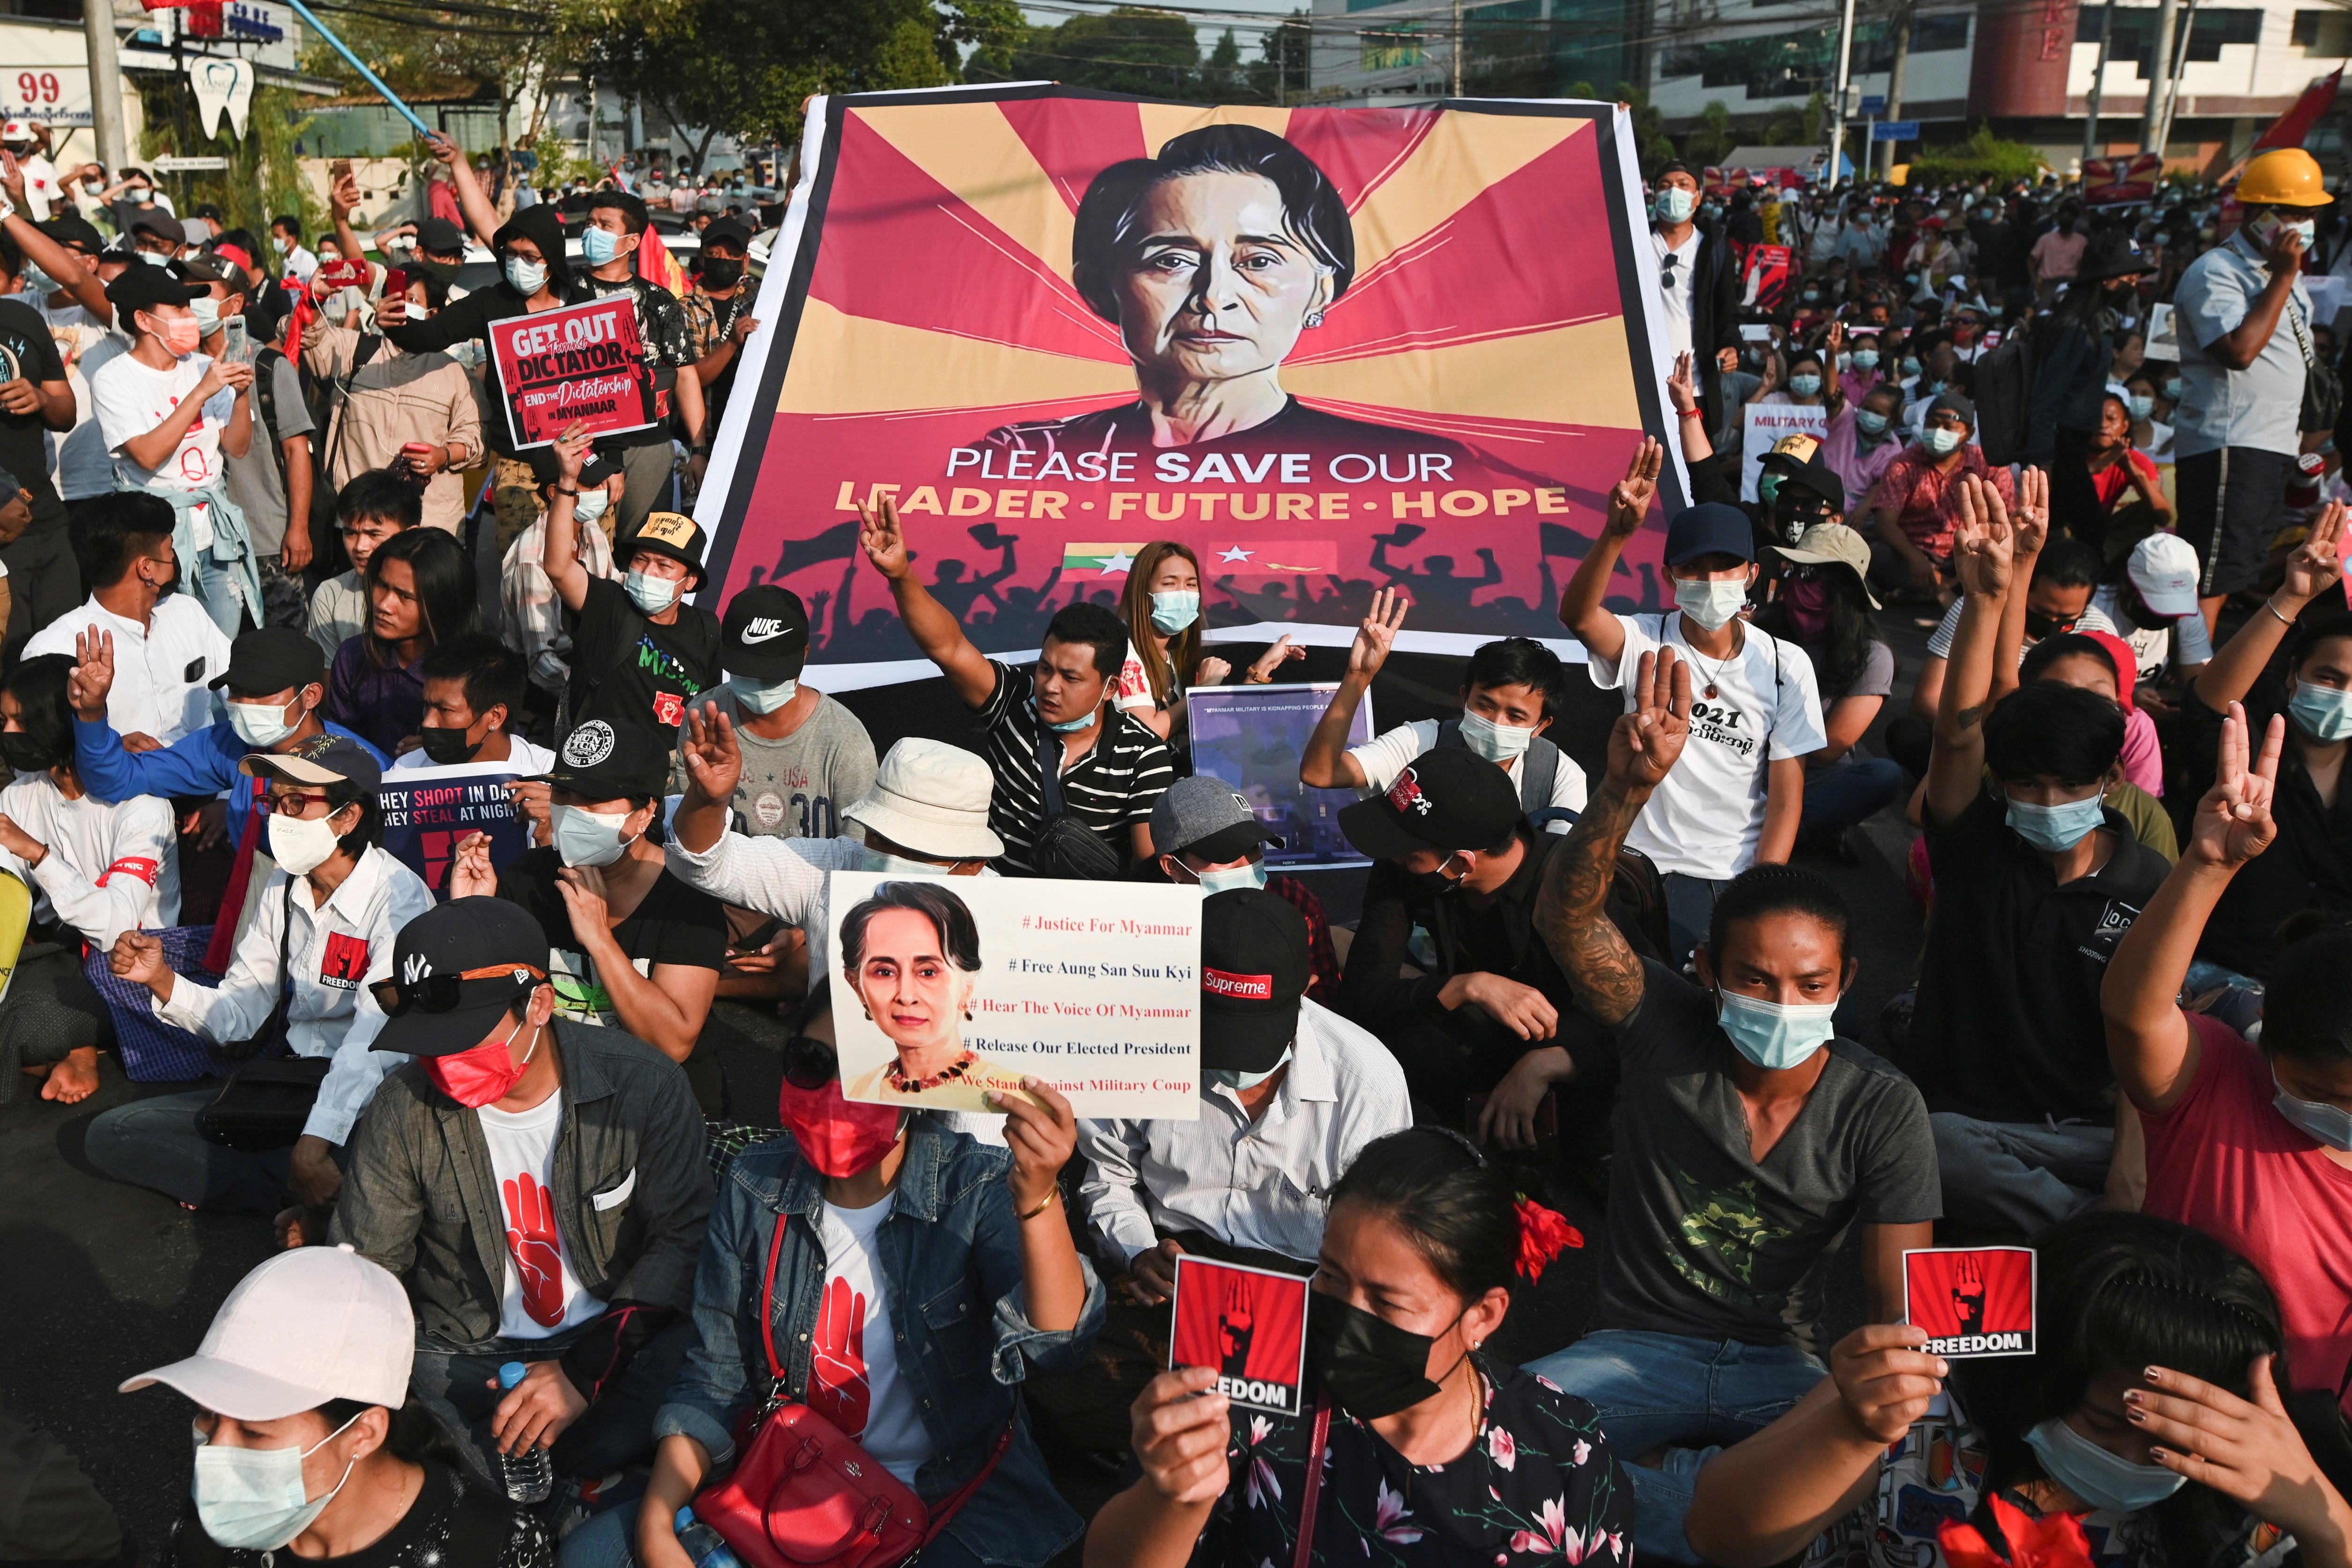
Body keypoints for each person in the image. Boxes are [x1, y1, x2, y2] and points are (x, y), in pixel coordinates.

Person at [1522, 645, 1936, 1562]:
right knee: (1496, 1452)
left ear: (1845, 982)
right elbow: (1566, 921)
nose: (1780, 1002)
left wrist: (1865, 1413)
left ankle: (1656, 1504)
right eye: (1753, 977)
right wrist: (1622, 792)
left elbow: (1889, 1303)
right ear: (1704, 971)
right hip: (1633, 1347)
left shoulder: (1881, 1104)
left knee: (1866, 1491)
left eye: (1808, 982)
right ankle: (1690, 1506)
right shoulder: (1661, 1019)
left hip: (1786, 1367)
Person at [553, 987, 1101, 1568]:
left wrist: (1039, 1196)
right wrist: (659, 1521)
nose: (837, 1089)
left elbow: (1057, 1343)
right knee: (595, 1553)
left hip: (948, 1504)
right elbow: (713, 1376)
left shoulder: (976, 1188)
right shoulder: (754, 1185)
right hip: (792, 1474)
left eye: (868, 1068)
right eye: (813, 1062)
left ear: (920, 1081)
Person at [1684, 1211, 2352, 1568]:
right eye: (2105, 1422)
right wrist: (1851, 1430)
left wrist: (2326, 1520)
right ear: (2032, 1373)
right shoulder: (1930, 1392)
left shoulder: (2248, 1481)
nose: (2133, 1460)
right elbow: (1722, 1535)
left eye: (2169, 1442)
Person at [1089, 1126, 1623, 1567]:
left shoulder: (1564, 1448)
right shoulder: (1253, 1386)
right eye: (1330, 1276)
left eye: (1388, 1303)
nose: (1347, 1321)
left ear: (1481, 1315)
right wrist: (1172, 1496)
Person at [333, 896, 712, 1487]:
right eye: (430, 1040)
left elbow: (682, 1239)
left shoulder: (645, 1086)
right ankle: (565, 1480)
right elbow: (369, 1267)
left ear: (540, 1002)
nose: (445, 1059)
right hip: (463, 1350)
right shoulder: (402, 1106)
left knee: (694, 1352)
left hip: (609, 1334)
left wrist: (583, 1373)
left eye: (466, 1036)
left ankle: (525, 1478)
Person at [1911, 475, 2169, 1233]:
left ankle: (2075, 1227)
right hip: (1967, 1126)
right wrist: (1987, 596)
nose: (2046, 804)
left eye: (2067, 786)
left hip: (2088, 1135)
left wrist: (2131, 1163)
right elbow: (1957, 731)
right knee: (1924, 1138)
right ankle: (2083, 1238)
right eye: (2027, 785)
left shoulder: (2149, 882)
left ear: (2111, 780)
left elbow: (2147, 1037)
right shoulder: (1975, 842)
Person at [2102, 699, 2352, 1416]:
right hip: (2155, 1414)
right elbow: (2133, 1009)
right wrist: (2207, 865)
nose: (2339, 1117)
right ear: (2267, 1042)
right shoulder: (2214, 1083)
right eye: (2320, 1091)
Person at [974, 125, 1475, 468]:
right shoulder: (1027, 458)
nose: (1214, 297)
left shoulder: (1405, 466)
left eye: (1258, 261)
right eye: (1171, 260)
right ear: (1099, 289)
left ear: (1322, 288)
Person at [88, 736, 432, 1222]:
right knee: (114, 1132)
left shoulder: (398, 898)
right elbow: (240, 1014)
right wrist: (162, 978)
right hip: (292, 1083)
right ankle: (305, 1193)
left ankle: (304, 1179)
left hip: (370, 1098)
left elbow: (375, 1043)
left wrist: (317, 1139)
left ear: (348, 817)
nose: (278, 817)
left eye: (296, 803)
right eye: (275, 801)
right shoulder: (285, 881)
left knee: (374, 1150)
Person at [121, 1245, 556, 1568]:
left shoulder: (491, 1548)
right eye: (209, 1414)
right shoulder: (218, 1521)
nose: (217, 1452)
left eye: (255, 1432)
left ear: (363, 1432)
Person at [1559, 446, 1827, 959]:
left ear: (1750, 574)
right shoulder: (1642, 638)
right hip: (1637, 863)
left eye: (1725, 567)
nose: (1709, 581)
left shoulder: (1784, 664)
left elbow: (1786, 796)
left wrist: (1761, 892)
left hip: (1731, 873)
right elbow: (1578, 615)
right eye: (1693, 568)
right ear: (1669, 578)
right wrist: (1616, 533)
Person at [1079, 886, 1408, 1293]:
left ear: (1307, 988)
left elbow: (1382, 1239)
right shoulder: (1141, 1049)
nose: (1234, 1064)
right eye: (1214, 1031)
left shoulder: (1368, 1084)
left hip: (1311, 1284)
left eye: (1254, 1035)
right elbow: (1110, 1177)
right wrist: (1138, 1252)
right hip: (1172, 1262)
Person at [859, 494, 1173, 875]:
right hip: (996, 906)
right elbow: (949, 647)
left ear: (1111, 688)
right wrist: (901, 574)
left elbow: (1149, 866)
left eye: (1071, 677)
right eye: (1045, 668)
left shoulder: (1145, 755)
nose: (1050, 686)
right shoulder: (1013, 700)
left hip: (1087, 921)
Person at [449, 719, 725, 1114]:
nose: (572, 812)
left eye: (593, 800)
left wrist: (599, 939)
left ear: (645, 812)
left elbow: (673, 1044)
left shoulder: (688, 898)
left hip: (659, 1107)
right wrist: (473, 913)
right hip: (555, 1099)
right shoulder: (525, 879)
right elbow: (482, 1015)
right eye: (563, 792)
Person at [70, 625, 391, 928]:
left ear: (311, 696)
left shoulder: (364, 767)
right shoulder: (228, 745)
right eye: (237, 691)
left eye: (260, 692)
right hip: (258, 918)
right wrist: (92, 713)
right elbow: (118, 779)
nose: (244, 704)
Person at [668, 717, 1000, 992]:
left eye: (917, 852)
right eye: (880, 837)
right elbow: (706, 863)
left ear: (973, 865)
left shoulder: (1010, 919)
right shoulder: (830, 869)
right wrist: (708, 801)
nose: (889, 859)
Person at [2175, 510, 2352, 982]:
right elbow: (2207, 707)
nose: (2342, 694)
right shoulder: (2243, 749)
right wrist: (2291, 596)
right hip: (2223, 979)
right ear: (2294, 676)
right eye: (2328, 677)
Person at [0, 653, 176, 1107]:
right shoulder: (20, 794)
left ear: (59, 720)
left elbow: (118, 926)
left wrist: (37, 854)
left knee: (33, 1022)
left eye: (21, 721)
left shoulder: (142, 805)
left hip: (131, 963)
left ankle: (79, 1048)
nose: (8, 734)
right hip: (57, 955)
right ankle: (77, 1048)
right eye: (4, 720)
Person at [2174, 148, 2332, 631]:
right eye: (2292, 212)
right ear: (2258, 212)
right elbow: (2238, 351)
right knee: (2214, 570)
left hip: (2271, 443)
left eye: (2311, 213)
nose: (2303, 225)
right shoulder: (2216, 272)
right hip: (2230, 442)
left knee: (2240, 562)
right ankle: (2191, 678)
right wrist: (2284, 276)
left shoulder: (2282, 273)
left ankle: (2205, 664)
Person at [1303, 590, 1588, 830]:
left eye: (1515, 717)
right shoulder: (1421, 743)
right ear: (1464, 698)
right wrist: (1358, 677)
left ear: (1540, 726)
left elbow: (1561, 870)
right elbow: (1321, 773)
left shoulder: (1559, 775)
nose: (1496, 723)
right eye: (1485, 706)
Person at [90, 262, 262, 638]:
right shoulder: (113, 379)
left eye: (190, 307)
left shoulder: (203, 365)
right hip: (153, 543)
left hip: (216, 538)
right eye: (179, 308)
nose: (190, 317)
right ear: (144, 320)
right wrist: (201, 391)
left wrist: (240, 395)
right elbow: (148, 455)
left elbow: (236, 446)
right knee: (165, 643)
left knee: (221, 649)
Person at [540, 429, 720, 740]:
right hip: (599, 765)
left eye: (664, 565)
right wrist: (568, 482)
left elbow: (710, 707)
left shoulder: (706, 630)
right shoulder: (609, 604)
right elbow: (558, 567)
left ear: (689, 581)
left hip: (669, 771)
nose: (649, 571)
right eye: (641, 559)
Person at [24, 490, 230, 747]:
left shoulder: (187, 612)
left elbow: (239, 691)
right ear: (146, 569)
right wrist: (111, 751)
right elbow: (45, 758)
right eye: (170, 550)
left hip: (208, 784)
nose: (175, 559)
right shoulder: (51, 650)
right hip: (123, 788)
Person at [676, 585, 875, 840]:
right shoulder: (703, 720)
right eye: (747, 671)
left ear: (804, 656)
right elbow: (687, 840)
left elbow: (859, 853)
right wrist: (705, 799)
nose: (759, 683)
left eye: (773, 675)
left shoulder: (846, 741)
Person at [301, 254, 482, 535]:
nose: (403, 306)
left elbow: (475, 438)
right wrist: (314, 299)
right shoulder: (353, 352)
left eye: (413, 300)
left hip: (430, 530)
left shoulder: (454, 374)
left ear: (433, 314)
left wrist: (443, 456)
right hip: (359, 525)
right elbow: (307, 336)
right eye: (396, 297)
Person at [182, 255, 314, 632]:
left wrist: (298, 528)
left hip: (266, 539)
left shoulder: (268, 366)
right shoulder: (180, 367)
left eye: (203, 291)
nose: (192, 300)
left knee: (281, 649)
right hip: (204, 546)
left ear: (236, 304)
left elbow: (295, 449)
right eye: (187, 291)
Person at [1756, 522, 1906, 848]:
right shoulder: (1763, 629)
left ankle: (1781, 830)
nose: (1798, 584)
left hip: (1813, 779)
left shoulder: (1872, 654)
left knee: (1883, 776)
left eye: (1812, 574)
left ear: (1844, 589)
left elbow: (1831, 747)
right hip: (1749, 765)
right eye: (1794, 570)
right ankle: (1801, 830)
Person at [834, 878, 1027, 1110]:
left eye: (927, 972)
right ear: (856, 985)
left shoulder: (1013, 1095)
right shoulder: (856, 1091)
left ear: (967, 984)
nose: (906, 996)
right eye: (885, 972)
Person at [1149, 774, 1341, 999]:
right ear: (1173, 867)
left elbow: (1327, 999)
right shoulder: (1150, 930)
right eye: (1224, 855)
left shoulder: (1294, 901)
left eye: (1252, 847)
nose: (1246, 864)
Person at [1908, 531, 2117, 723]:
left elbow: (2104, 715)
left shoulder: (2099, 632)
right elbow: (1927, 699)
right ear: (2024, 589)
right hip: (1975, 726)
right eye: (2042, 612)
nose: (2053, 623)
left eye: (2067, 617)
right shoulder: (1977, 608)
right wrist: (1977, 740)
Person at [2027, 231, 2150, 542]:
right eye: (2130, 278)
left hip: (2073, 449)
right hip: (2060, 450)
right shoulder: (2074, 326)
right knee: (2087, 536)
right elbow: (2046, 396)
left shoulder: (2096, 322)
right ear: (2107, 279)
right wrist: (2045, 467)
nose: (2133, 286)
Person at [328, 526, 476, 759]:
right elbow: (340, 747)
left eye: (405, 596)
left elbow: (501, 749)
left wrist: (446, 752)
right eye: (382, 585)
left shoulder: (476, 669)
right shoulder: (353, 657)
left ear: (441, 604)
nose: (384, 605)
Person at [502, 450, 618, 735]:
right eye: (590, 486)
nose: (602, 492)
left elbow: (612, 587)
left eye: (602, 483)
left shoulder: (591, 529)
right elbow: (540, 662)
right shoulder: (531, 559)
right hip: (546, 687)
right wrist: (594, 695)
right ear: (557, 492)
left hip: (589, 661)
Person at [1859, 393, 2014, 599]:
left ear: (1970, 433)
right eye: (1931, 424)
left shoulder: (1989, 465)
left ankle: (1937, 590)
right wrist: (1915, 559)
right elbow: (1885, 523)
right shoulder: (1903, 464)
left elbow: (2008, 520)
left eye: (1948, 427)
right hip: (1916, 555)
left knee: (2006, 559)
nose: (1938, 432)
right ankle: (1948, 592)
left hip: (1971, 552)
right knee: (1877, 557)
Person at [1114, 541, 1264, 743]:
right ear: (1142, 590)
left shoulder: (1172, 654)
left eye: (1191, 584)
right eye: (1170, 583)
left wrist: (1260, 671)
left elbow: (1215, 727)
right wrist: (1202, 691)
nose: (1183, 594)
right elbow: (1147, 734)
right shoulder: (1121, 649)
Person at [1650, 161, 1743, 431]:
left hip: (1695, 381)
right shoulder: (1635, 241)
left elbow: (1727, 309)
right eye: (1665, 186)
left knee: (1695, 462)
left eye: (1683, 185)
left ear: (1698, 197)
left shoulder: (1715, 249)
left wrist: (1732, 346)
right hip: (1642, 377)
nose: (1673, 192)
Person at [389, 632, 555, 775]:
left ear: (495, 717)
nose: (428, 722)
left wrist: (556, 810)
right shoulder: (407, 773)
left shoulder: (550, 776)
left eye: (445, 710)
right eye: (427, 705)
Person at [311, 470, 422, 660]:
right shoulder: (329, 597)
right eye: (351, 533)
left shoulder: (436, 591)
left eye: (374, 535)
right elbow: (331, 682)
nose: (360, 547)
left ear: (410, 535)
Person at [2097, 528, 2212, 693]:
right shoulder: (2096, 609)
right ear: (2127, 586)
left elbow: (2199, 687)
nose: (2175, 615)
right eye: (2160, 605)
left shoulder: (2188, 617)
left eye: (2178, 605)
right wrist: (2132, 699)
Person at [270, 216, 318, 282]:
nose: (275, 240)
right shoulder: (286, 262)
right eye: (274, 236)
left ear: (292, 238)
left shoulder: (306, 259)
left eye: (278, 236)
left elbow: (314, 287)